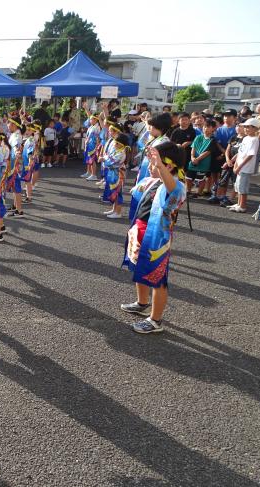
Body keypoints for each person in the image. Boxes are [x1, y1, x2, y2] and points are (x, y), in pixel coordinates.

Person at [121, 141, 187, 334]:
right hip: (141, 230)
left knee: (158, 278)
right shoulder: (154, 181)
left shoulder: (176, 185)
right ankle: (142, 302)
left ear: (168, 166)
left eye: (154, 164)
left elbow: (173, 190)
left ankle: (156, 320)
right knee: (139, 267)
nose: (150, 167)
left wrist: (159, 166)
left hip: (157, 238)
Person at [228, 118, 260, 213]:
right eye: (245, 127)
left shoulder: (254, 139)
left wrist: (239, 166)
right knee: (238, 186)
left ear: (255, 129)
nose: (246, 129)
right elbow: (240, 152)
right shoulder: (245, 138)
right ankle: (238, 204)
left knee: (243, 188)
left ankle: (242, 206)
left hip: (245, 168)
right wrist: (235, 164)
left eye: (248, 127)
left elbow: (250, 155)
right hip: (240, 166)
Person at [102, 129, 130, 219]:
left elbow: (111, 162)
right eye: (115, 142)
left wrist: (104, 159)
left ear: (122, 145)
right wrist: (106, 158)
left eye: (117, 143)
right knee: (114, 192)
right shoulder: (118, 150)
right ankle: (114, 209)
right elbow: (109, 157)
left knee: (118, 193)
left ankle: (118, 212)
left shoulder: (121, 153)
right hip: (113, 173)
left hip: (118, 175)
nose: (115, 144)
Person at [215, 124, 245, 207]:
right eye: (237, 126)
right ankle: (219, 196)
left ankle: (231, 199)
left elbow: (241, 152)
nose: (238, 128)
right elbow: (228, 149)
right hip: (228, 162)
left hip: (237, 163)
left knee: (235, 181)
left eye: (241, 126)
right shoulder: (233, 137)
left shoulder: (245, 139)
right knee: (223, 179)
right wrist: (227, 159)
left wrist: (231, 161)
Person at [187, 120, 215, 197]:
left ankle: (199, 192)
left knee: (201, 179)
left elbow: (208, 152)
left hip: (204, 163)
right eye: (204, 126)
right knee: (188, 177)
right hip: (193, 161)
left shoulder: (213, 139)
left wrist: (197, 159)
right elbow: (193, 148)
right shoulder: (198, 137)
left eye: (208, 127)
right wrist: (192, 157)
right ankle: (188, 191)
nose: (205, 128)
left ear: (213, 128)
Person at [82, 115, 101, 180]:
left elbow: (97, 138)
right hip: (89, 145)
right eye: (90, 119)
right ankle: (88, 172)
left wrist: (96, 147)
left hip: (93, 145)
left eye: (91, 119)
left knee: (92, 160)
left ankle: (94, 174)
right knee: (88, 159)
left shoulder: (97, 127)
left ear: (95, 120)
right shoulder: (91, 127)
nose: (90, 121)